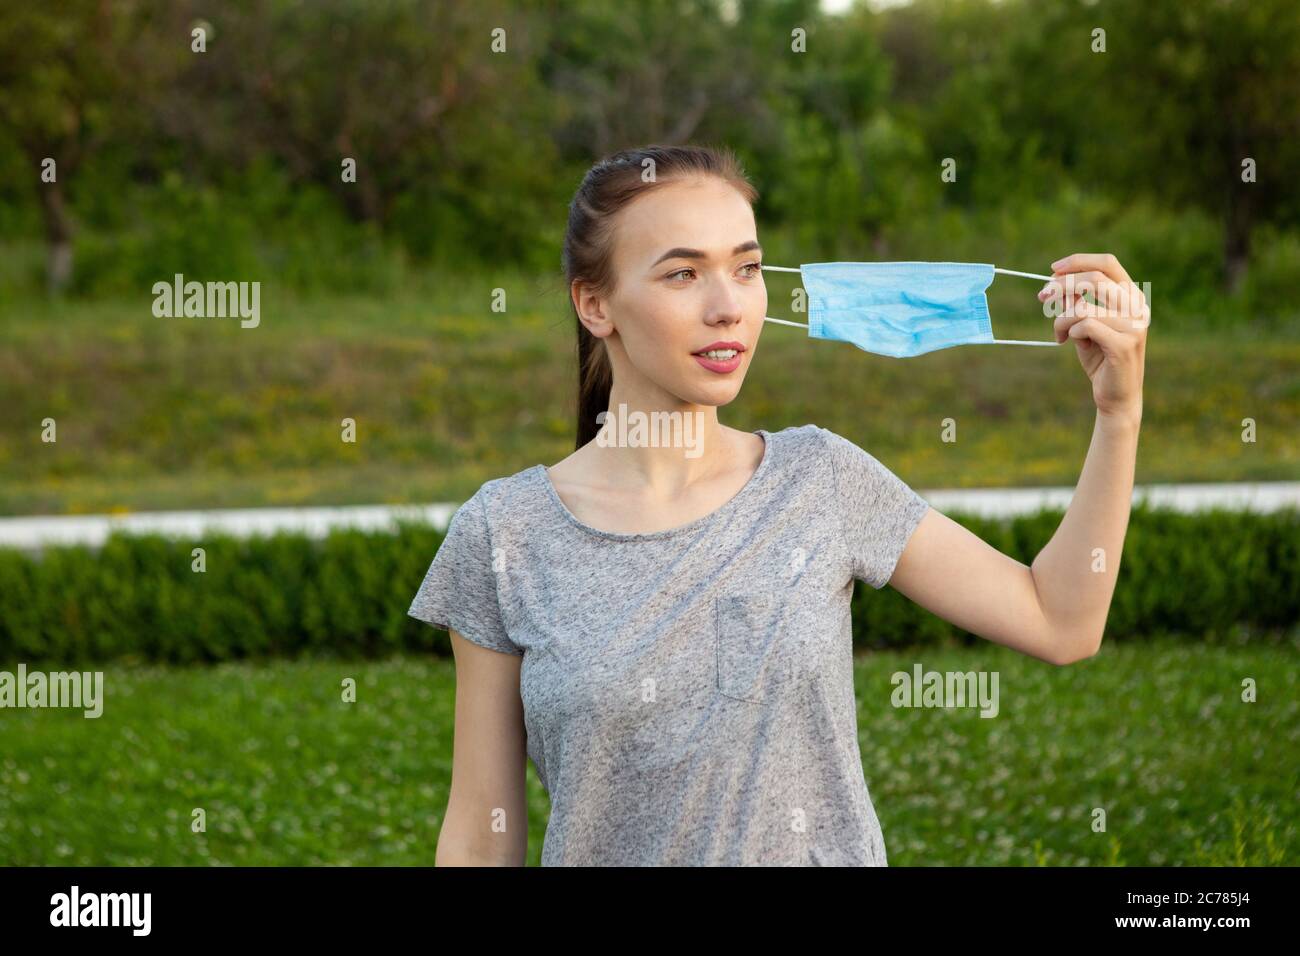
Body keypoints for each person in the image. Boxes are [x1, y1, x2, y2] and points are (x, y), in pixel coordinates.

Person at [410, 143, 1148, 866]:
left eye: (748, 268)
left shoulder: (820, 477)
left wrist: (1119, 415)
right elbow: (480, 834)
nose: (728, 307)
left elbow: (1061, 620)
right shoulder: (504, 532)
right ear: (594, 303)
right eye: (682, 274)